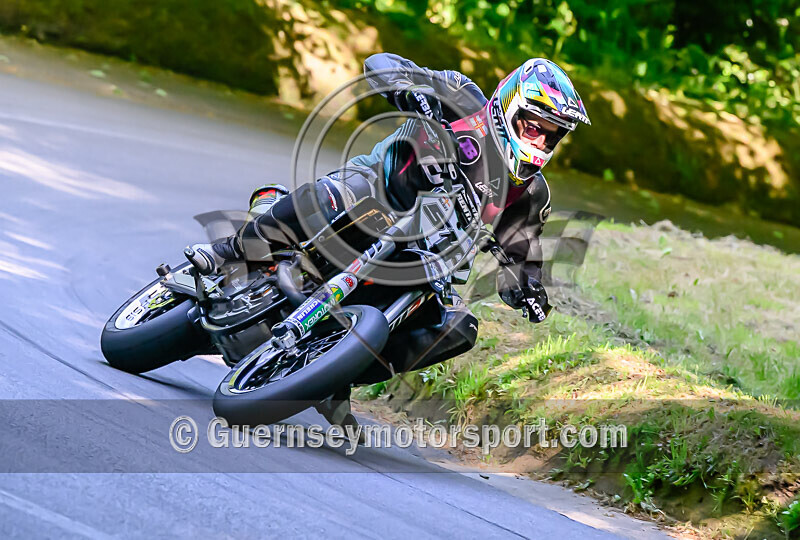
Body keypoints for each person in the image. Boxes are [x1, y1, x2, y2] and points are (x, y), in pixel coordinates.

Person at [186, 52, 590, 379]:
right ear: (509, 104)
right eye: (533, 125)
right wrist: (413, 92)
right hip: (376, 191)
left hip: (432, 257)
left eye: (552, 133)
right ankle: (228, 252)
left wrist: (528, 289)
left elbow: (521, 254)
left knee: (456, 328)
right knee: (332, 199)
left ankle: (334, 371)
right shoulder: (462, 98)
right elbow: (380, 64)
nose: (541, 139)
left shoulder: (531, 193)